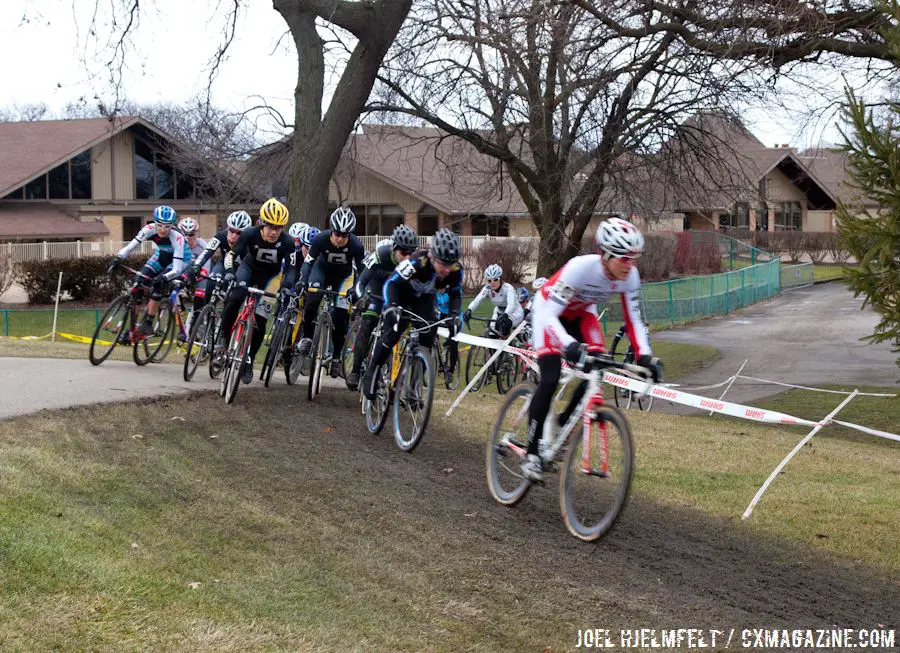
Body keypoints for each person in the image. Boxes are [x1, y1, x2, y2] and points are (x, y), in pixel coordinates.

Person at [520, 218, 662, 482]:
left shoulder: (630, 277)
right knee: (550, 378)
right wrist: (569, 345)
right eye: (624, 258)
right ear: (606, 255)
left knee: (597, 367)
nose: (630, 265)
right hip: (549, 314)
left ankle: (563, 423)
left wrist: (645, 356)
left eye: (634, 259)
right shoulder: (579, 269)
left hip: (581, 315)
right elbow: (550, 314)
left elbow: (634, 319)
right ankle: (531, 453)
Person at [362, 228, 463, 400]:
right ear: (432, 256)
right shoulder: (418, 262)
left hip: (422, 298)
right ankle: (373, 370)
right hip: (400, 292)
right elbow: (391, 284)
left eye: (450, 264)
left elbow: (456, 294)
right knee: (394, 331)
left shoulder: (455, 269)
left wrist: (454, 315)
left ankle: (414, 387)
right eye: (443, 264)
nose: (447, 269)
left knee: (428, 334)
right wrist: (390, 306)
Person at [220, 198, 297, 384]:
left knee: (260, 320)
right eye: (270, 226)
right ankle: (225, 341)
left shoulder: (287, 242)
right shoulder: (249, 234)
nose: (273, 232)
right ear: (262, 223)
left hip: (271, 278)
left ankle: (249, 359)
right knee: (236, 298)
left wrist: (286, 287)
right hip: (249, 269)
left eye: (278, 228)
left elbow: (292, 269)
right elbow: (232, 255)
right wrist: (230, 273)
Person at [345, 224, 418, 390]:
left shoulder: (414, 263)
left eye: (410, 253)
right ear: (394, 249)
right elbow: (362, 281)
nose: (407, 257)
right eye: (403, 253)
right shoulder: (381, 255)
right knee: (368, 321)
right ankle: (355, 371)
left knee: (394, 328)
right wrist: (361, 296)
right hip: (377, 292)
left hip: (397, 296)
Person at [296, 206, 366, 379]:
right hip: (322, 272)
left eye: (344, 235)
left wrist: (356, 289)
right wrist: (303, 280)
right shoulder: (320, 239)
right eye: (337, 234)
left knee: (341, 315)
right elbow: (308, 262)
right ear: (331, 230)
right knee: (312, 299)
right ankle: (307, 337)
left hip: (344, 278)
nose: (340, 238)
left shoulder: (356, 245)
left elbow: (363, 271)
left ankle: (336, 358)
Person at [110, 205, 188, 335]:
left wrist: (164, 278)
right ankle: (132, 329)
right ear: (154, 222)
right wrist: (118, 258)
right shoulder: (148, 229)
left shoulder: (177, 237)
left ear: (172, 226)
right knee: (139, 282)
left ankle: (148, 323)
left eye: (167, 226)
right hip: (161, 255)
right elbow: (130, 247)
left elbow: (177, 268)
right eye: (160, 225)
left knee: (158, 285)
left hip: (179, 260)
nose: (163, 230)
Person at [189, 210, 253, 313]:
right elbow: (207, 251)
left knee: (231, 299)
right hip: (223, 265)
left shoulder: (250, 243)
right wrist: (197, 265)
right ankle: (205, 315)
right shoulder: (221, 236)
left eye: (239, 233)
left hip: (240, 270)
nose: (234, 236)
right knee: (211, 283)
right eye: (231, 230)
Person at [463, 264, 524, 338]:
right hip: (499, 312)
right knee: (492, 334)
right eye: (489, 280)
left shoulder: (508, 288)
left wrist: (505, 315)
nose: (492, 282)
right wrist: (469, 310)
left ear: (500, 279)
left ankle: (509, 345)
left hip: (515, 312)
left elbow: (511, 305)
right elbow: (477, 300)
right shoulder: (487, 288)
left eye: (495, 279)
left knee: (505, 325)